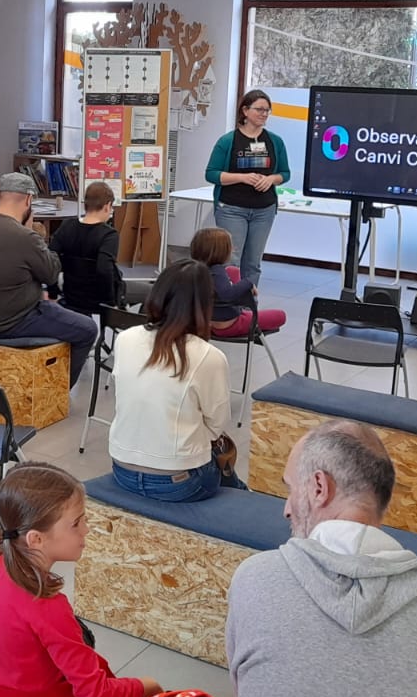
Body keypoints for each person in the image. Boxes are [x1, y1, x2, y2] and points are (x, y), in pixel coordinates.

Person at [225, 422, 417, 697]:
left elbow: (248, 694)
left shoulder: (254, 580)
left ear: (319, 487)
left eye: (291, 489)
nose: (287, 508)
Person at [0, 462, 161, 697]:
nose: (86, 529)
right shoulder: (47, 605)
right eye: (76, 523)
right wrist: (146, 686)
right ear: (36, 539)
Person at [107, 260, 242, 502]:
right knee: (228, 474)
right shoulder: (208, 356)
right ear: (205, 304)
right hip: (179, 482)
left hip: (122, 469)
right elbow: (217, 424)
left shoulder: (125, 339)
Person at [0, 173, 98, 387]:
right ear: (29, 200)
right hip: (10, 322)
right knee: (88, 329)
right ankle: (57, 392)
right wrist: (34, 235)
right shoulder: (25, 237)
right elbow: (50, 274)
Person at [204, 89, 291, 288]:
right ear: (245, 110)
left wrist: (271, 180)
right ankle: (228, 306)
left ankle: (248, 308)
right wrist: (242, 177)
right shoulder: (228, 141)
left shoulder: (275, 142)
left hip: (264, 210)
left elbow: (285, 173)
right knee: (231, 261)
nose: (264, 114)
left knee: (253, 263)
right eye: (259, 109)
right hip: (232, 208)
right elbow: (211, 173)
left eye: (267, 110)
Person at [50, 181, 146, 314]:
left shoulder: (67, 226)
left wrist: (52, 293)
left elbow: (50, 260)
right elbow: (104, 270)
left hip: (71, 296)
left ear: (85, 205)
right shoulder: (109, 235)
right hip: (99, 301)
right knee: (154, 291)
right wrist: (111, 304)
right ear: (107, 206)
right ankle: (144, 329)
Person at [189, 227, 286, 337]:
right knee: (281, 316)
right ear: (221, 252)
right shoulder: (217, 272)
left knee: (232, 271)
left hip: (207, 319)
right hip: (228, 325)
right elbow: (227, 294)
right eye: (230, 247)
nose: (233, 249)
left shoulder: (196, 269)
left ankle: (241, 305)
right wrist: (248, 283)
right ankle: (243, 306)